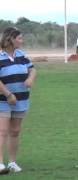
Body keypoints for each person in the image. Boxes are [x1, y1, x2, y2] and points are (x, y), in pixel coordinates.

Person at [0, 27, 36, 174]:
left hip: (21, 99)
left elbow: (32, 69)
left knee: (15, 131)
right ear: (10, 39)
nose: (22, 41)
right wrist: (8, 94)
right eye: (19, 38)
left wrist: (30, 78)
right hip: (3, 100)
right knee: (2, 131)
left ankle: (12, 162)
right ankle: (0, 164)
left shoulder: (21, 54)